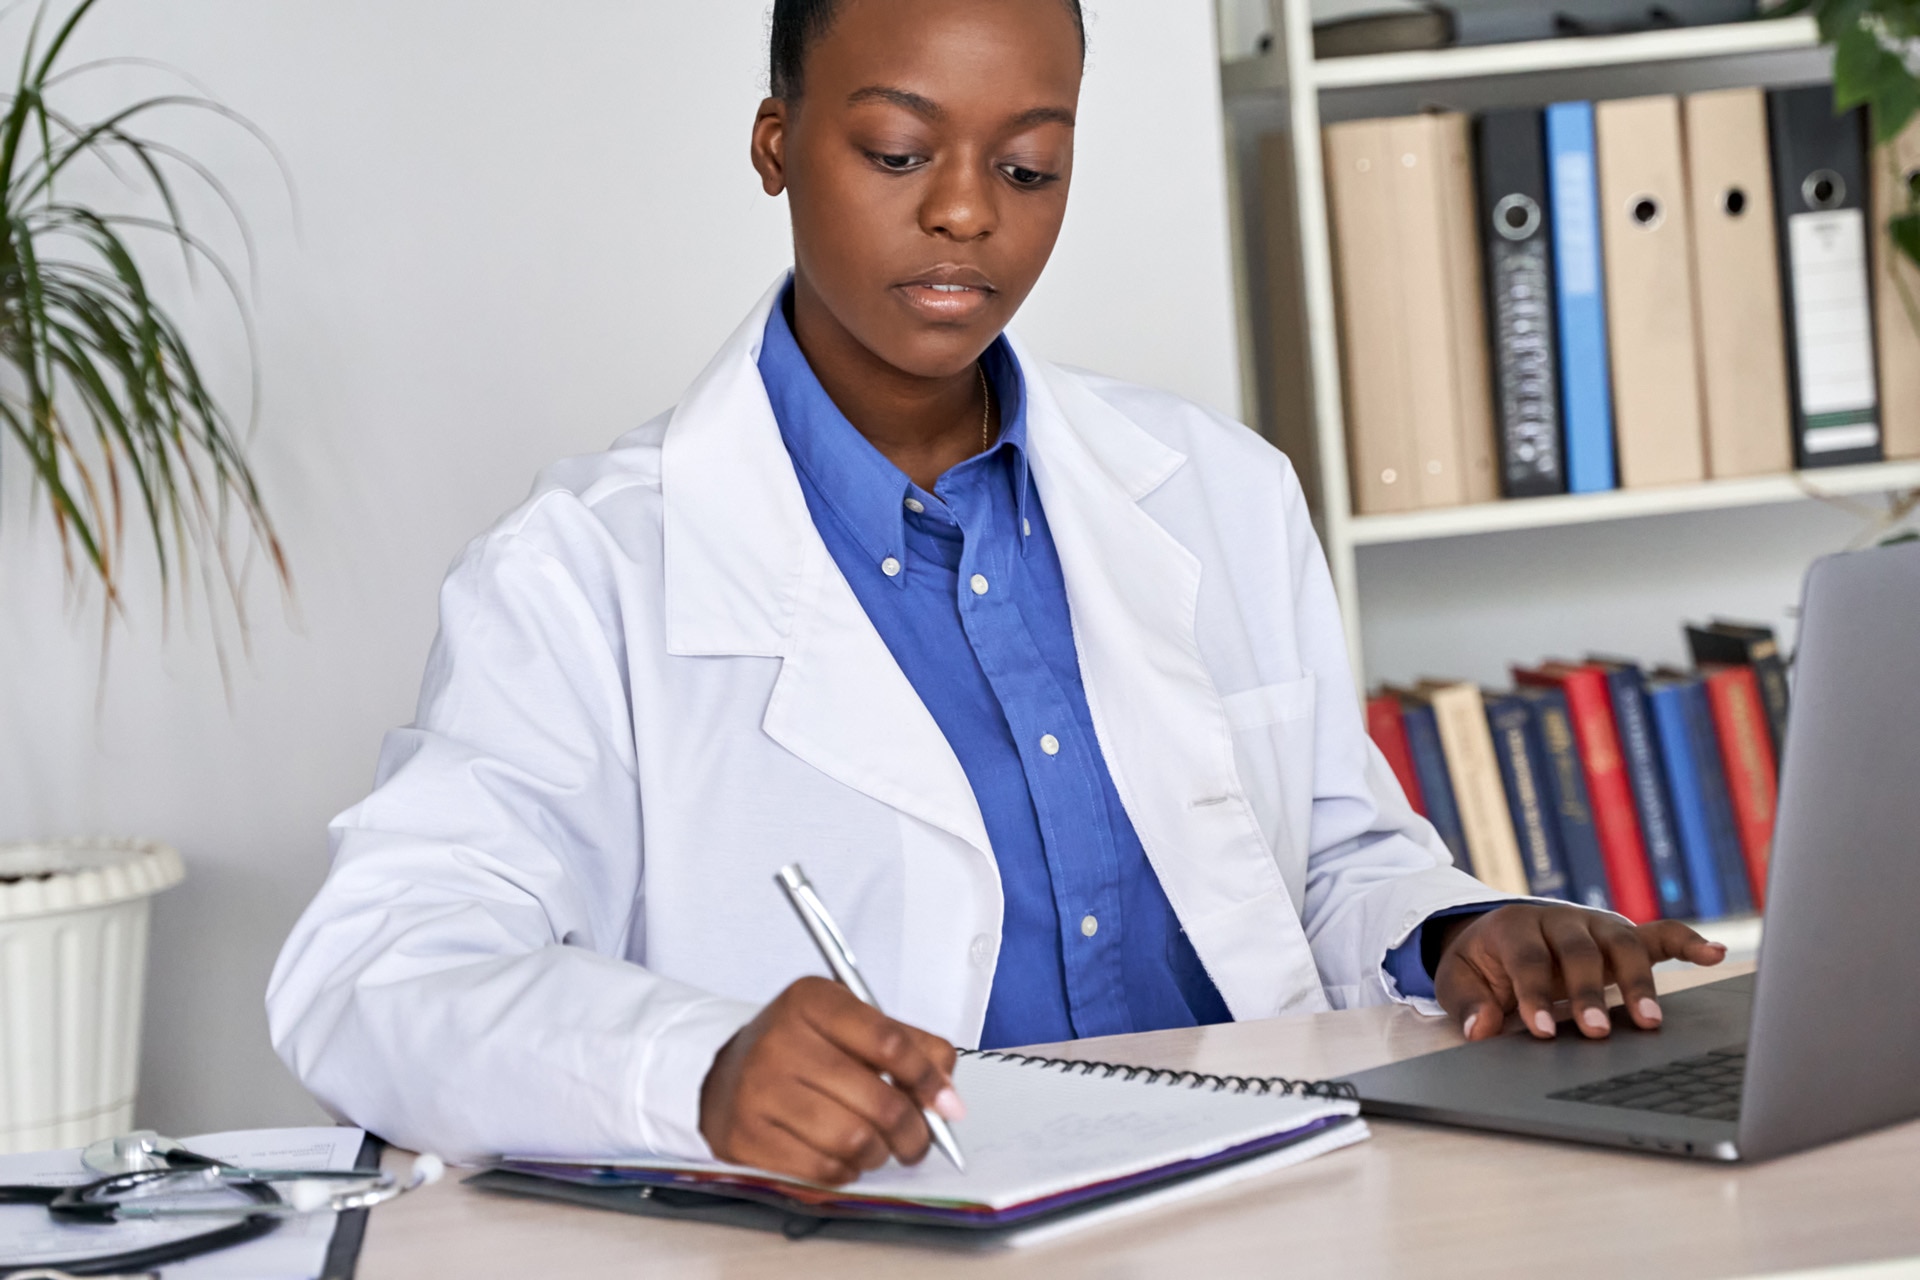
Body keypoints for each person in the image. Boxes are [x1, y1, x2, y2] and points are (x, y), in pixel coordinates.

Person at [267, 0, 1725, 1186]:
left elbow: (1327, 857)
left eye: (1028, 167)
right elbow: (376, 969)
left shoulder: (1214, 488)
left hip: (1262, 1198)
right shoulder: (579, 571)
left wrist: (1463, 931)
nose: (967, 213)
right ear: (776, 144)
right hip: (892, 1225)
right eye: (899, 153)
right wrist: (693, 1067)